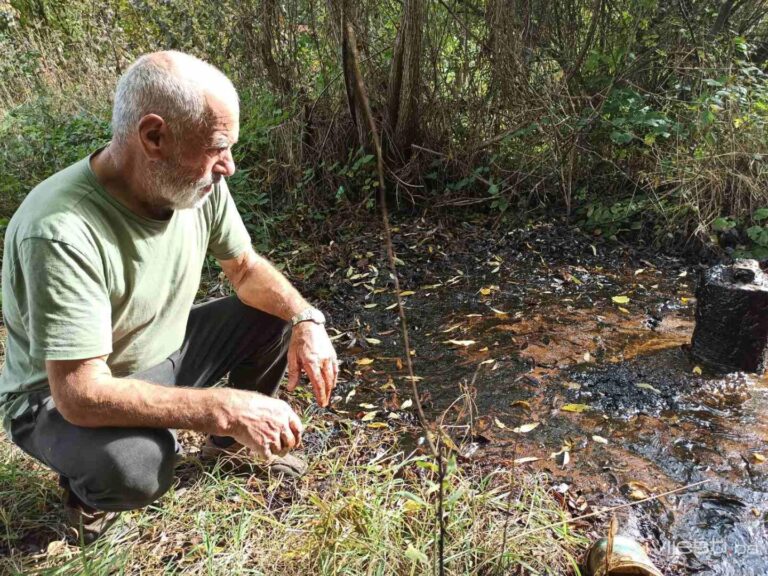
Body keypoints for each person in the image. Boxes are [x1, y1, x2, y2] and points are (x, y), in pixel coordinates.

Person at [0, 51, 338, 542]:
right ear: (154, 137)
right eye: (217, 147)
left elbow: (245, 270)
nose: (230, 166)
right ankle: (89, 498)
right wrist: (221, 405)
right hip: (55, 399)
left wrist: (307, 319)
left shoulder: (195, 183)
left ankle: (228, 446)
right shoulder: (61, 231)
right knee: (138, 467)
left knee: (274, 312)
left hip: (164, 352)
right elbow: (78, 392)